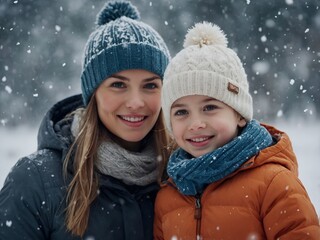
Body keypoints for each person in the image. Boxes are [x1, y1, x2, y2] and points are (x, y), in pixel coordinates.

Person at [0, 1, 172, 239]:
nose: (136, 102)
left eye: (151, 85)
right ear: (93, 95)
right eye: (118, 85)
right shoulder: (35, 179)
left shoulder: (181, 174)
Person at [154, 22, 320, 239]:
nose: (195, 123)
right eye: (181, 112)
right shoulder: (168, 196)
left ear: (240, 115)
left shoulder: (274, 185)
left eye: (210, 107)